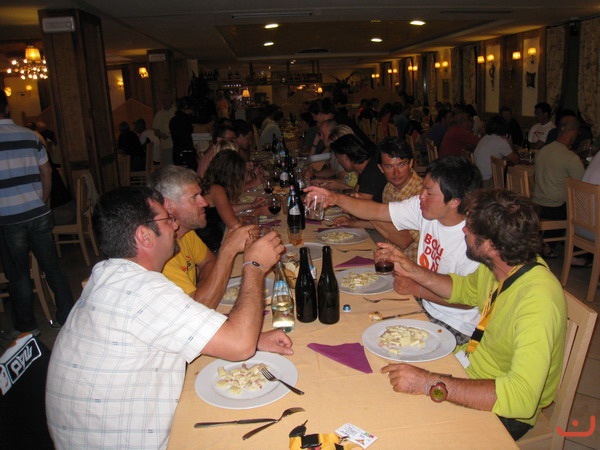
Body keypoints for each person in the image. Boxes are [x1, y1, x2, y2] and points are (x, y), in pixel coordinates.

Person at [45, 186, 291, 449]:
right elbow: (240, 346)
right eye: (167, 220)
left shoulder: (108, 276)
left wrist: (254, 339)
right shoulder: (143, 290)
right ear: (145, 236)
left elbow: (166, 330)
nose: (175, 226)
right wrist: (254, 266)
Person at [379, 189, 566, 441]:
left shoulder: (538, 301)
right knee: (380, 376)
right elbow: (463, 290)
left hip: (504, 409)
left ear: (491, 245)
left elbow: (520, 399)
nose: (464, 230)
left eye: (470, 227)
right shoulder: (501, 265)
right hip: (470, 366)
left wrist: (427, 383)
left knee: (402, 433)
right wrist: (412, 270)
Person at [306, 156, 482, 344]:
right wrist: (335, 198)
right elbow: (377, 211)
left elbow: (468, 301)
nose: (421, 196)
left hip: (455, 323)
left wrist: (417, 289)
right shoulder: (427, 209)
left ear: (454, 201)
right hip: (424, 301)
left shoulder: (475, 240)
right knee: (355, 315)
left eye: (429, 193)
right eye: (423, 188)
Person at [0, 90, 74, 334]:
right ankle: (67, 316)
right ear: (7, 107)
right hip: (38, 212)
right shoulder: (31, 136)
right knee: (52, 267)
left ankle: (27, 327)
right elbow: (47, 172)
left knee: (19, 275)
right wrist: (42, 200)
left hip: (8, 218)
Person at [149, 165, 256, 307]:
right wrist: (228, 251)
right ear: (169, 206)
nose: (204, 203)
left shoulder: (185, 232)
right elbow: (199, 308)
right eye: (194, 197)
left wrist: (200, 291)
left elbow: (209, 262)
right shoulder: (160, 255)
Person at [335, 137, 423, 262]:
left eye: (401, 164)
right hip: (388, 253)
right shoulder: (389, 187)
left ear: (410, 163)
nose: (396, 173)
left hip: (408, 263)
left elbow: (404, 241)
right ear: (381, 168)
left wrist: (366, 208)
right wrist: (353, 223)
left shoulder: (421, 194)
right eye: (389, 166)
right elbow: (386, 222)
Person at [532, 115, 584, 257]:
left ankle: (545, 242)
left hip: (536, 203)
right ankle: (578, 253)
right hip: (554, 208)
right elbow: (583, 186)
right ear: (573, 131)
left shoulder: (543, 150)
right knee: (582, 208)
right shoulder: (570, 157)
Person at [197, 150, 267, 253]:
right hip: (214, 244)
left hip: (212, 238)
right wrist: (256, 213)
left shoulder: (210, 184)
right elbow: (234, 225)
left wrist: (252, 205)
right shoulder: (217, 189)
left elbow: (225, 208)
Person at [328, 133, 388, 202]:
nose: (338, 162)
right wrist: (342, 186)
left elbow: (361, 203)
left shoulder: (371, 172)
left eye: (338, 158)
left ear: (346, 157)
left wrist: (335, 195)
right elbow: (357, 193)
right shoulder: (366, 167)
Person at [473, 115, 519, 188]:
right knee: (513, 178)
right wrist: (511, 144)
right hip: (488, 182)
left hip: (477, 179)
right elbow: (516, 160)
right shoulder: (501, 141)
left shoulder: (484, 138)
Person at [170, 96, 197, 171]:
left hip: (177, 151)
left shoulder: (173, 120)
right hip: (187, 152)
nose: (192, 112)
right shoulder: (186, 119)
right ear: (186, 108)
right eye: (191, 109)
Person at [152, 95, 176, 166]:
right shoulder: (159, 114)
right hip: (166, 145)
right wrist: (161, 135)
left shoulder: (176, 111)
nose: (166, 102)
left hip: (177, 144)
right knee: (169, 167)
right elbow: (155, 131)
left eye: (168, 99)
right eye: (164, 100)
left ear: (171, 101)